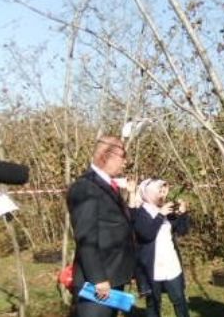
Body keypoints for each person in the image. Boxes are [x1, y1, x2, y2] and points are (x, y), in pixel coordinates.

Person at [66, 136, 136, 317]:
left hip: (114, 276)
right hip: (97, 284)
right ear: (107, 156)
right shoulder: (86, 187)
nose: (126, 161)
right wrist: (98, 279)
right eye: (123, 155)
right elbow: (85, 237)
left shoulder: (108, 185)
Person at [134, 178, 190, 317]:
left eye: (164, 192)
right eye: (159, 191)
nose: (163, 195)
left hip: (172, 266)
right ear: (149, 193)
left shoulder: (165, 211)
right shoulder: (140, 213)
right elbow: (146, 234)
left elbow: (182, 230)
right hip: (151, 268)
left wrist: (183, 213)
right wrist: (160, 215)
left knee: (179, 300)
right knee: (153, 304)